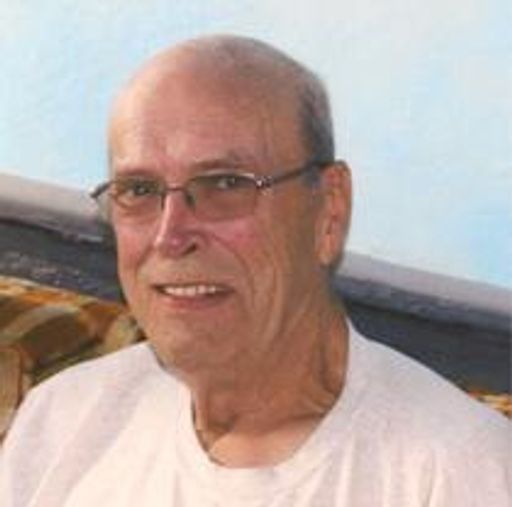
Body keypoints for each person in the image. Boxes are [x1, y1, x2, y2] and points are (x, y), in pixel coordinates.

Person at [0, 34, 509, 506]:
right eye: (138, 190)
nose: (170, 235)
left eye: (225, 184)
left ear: (329, 210)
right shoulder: (65, 423)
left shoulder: (453, 473)